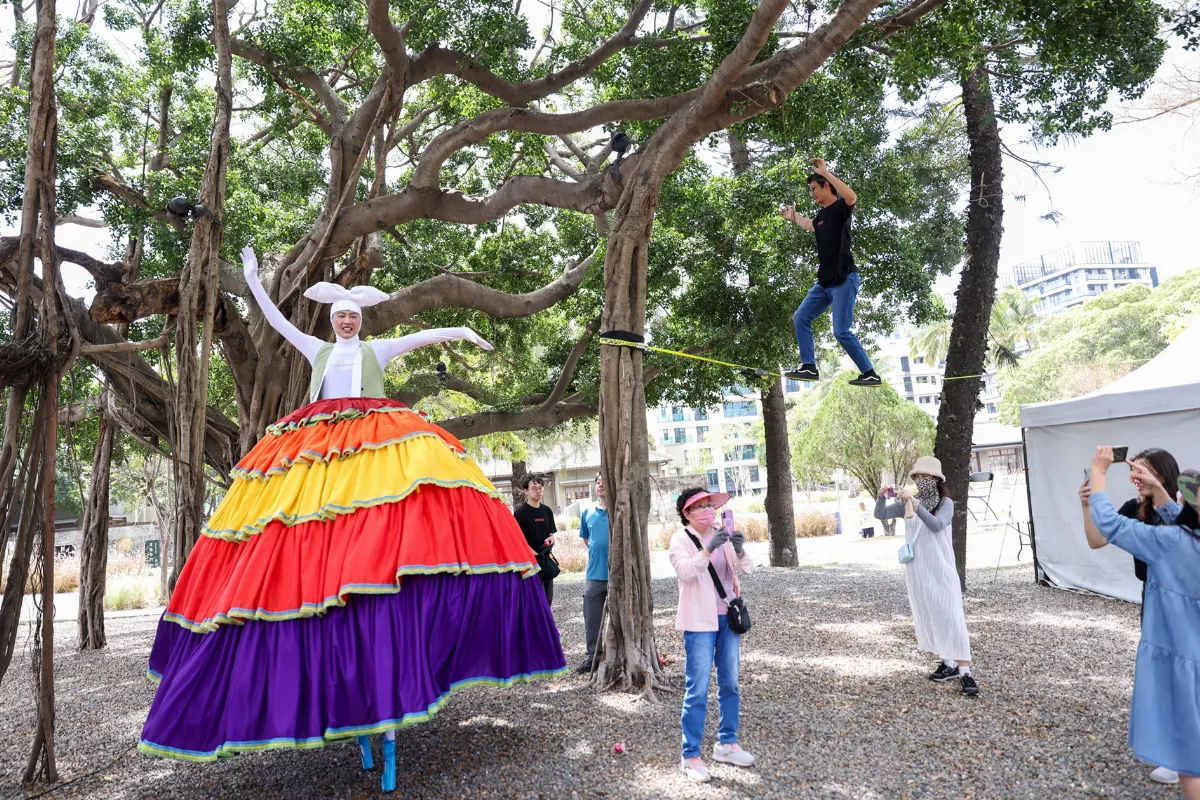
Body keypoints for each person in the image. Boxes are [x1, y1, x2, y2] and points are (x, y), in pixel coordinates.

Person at [138, 247, 566, 793]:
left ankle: (388, 661)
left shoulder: (376, 349)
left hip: (374, 446)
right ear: (330, 319)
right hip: (316, 452)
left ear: (361, 320)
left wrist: (463, 331)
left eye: (353, 315)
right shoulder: (315, 347)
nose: (346, 320)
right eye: (340, 314)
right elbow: (273, 320)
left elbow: (424, 337)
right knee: (306, 535)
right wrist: (251, 280)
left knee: (380, 530)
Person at [1085, 448, 1200, 800]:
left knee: (1190, 754)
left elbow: (1108, 525)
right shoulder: (1186, 533)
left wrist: (1098, 473)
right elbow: (1185, 518)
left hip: (1184, 652)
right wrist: (1161, 491)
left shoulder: (1170, 542)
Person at [670, 488, 756, 783]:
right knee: (698, 688)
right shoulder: (681, 540)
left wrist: (740, 549)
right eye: (701, 506)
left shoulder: (722, 532)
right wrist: (707, 549)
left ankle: (727, 743)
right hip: (699, 622)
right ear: (688, 513)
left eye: (711, 505)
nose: (709, 510)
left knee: (730, 682)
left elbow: (746, 569)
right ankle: (690, 755)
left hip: (728, 617)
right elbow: (685, 572)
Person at [875, 456, 978, 696]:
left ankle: (966, 673)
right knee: (931, 614)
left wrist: (915, 504)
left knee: (951, 615)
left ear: (935, 479)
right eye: (917, 477)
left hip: (941, 568)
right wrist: (882, 495)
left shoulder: (946, 503)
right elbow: (880, 515)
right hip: (918, 570)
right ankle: (948, 662)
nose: (921, 480)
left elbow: (937, 525)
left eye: (926, 477)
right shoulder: (908, 502)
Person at [779, 158, 880, 388]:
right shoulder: (822, 217)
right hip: (824, 284)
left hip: (845, 280)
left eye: (814, 188)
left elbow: (851, 196)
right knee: (801, 317)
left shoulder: (840, 209)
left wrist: (826, 172)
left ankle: (870, 373)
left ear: (826, 186)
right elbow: (811, 225)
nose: (812, 194)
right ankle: (809, 367)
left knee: (841, 331)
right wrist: (792, 216)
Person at [577, 473, 609, 674]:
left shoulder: (620, 510)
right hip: (594, 574)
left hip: (619, 575)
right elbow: (586, 539)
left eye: (604, 482)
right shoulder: (587, 511)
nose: (600, 485)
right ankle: (593, 657)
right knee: (592, 617)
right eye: (598, 482)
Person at [514, 474, 558, 606]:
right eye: (534, 488)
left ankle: (547, 626)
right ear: (526, 491)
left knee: (548, 600)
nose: (538, 491)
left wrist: (551, 540)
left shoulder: (547, 511)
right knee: (536, 603)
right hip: (529, 564)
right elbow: (518, 541)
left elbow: (552, 535)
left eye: (540, 488)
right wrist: (532, 554)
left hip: (546, 561)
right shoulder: (520, 513)